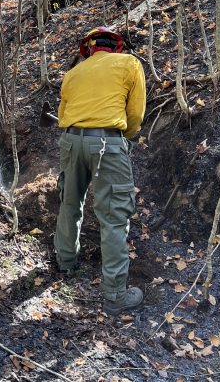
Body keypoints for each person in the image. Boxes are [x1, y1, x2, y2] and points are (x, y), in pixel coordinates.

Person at [54, 27, 146, 316]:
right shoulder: (129, 63)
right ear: (115, 48)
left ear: (89, 49)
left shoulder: (73, 73)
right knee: (114, 216)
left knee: (70, 203)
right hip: (108, 143)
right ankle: (115, 295)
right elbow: (135, 114)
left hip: (71, 141)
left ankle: (66, 263)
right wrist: (124, 139)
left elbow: (62, 116)